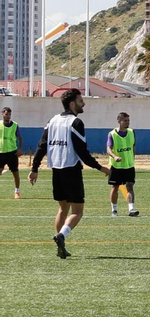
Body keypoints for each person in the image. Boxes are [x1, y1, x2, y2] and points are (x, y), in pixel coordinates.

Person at [29, 89, 109, 259]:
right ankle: (62, 236)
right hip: (71, 170)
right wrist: (101, 168)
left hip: (56, 171)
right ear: (72, 104)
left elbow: (41, 146)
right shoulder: (76, 122)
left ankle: (60, 246)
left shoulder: (52, 121)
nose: (83, 103)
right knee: (77, 211)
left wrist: (34, 169)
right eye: (80, 101)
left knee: (62, 209)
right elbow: (82, 151)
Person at [106, 111, 138, 217]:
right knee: (115, 187)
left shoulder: (132, 132)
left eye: (128, 120)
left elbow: (133, 147)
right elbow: (108, 149)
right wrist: (115, 156)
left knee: (130, 186)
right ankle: (114, 210)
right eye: (125, 120)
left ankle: (131, 209)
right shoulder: (112, 134)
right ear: (119, 121)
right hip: (117, 166)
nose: (127, 122)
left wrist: (132, 158)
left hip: (129, 166)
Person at [1, 106, 20, 199]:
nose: (8, 116)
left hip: (12, 152)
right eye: (6, 114)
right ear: (2, 114)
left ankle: (17, 191)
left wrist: (20, 149)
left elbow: (20, 137)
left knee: (15, 172)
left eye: (9, 114)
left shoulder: (15, 125)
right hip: (1, 152)